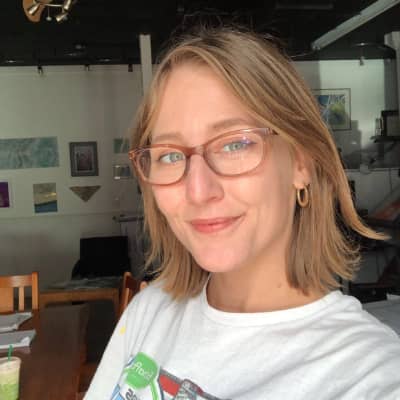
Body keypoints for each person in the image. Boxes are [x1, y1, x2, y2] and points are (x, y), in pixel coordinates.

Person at [85, 26, 400, 399]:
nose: (198, 191)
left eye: (235, 144)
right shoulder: (150, 311)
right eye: (170, 155)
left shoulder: (371, 376)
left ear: (301, 162)